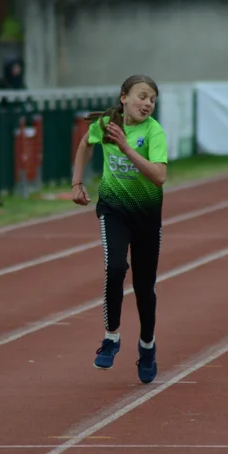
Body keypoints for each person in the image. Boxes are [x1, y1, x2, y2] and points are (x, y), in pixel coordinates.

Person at [70, 75, 168, 384]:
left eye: (152, 99)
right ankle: (111, 338)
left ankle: (148, 346)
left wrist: (126, 147)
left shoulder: (154, 132)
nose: (148, 103)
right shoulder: (107, 126)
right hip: (113, 210)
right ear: (124, 97)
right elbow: (86, 143)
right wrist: (77, 182)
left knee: (143, 288)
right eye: (142, 96)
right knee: (114, 268)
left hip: (147, 216)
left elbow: (159, 176)